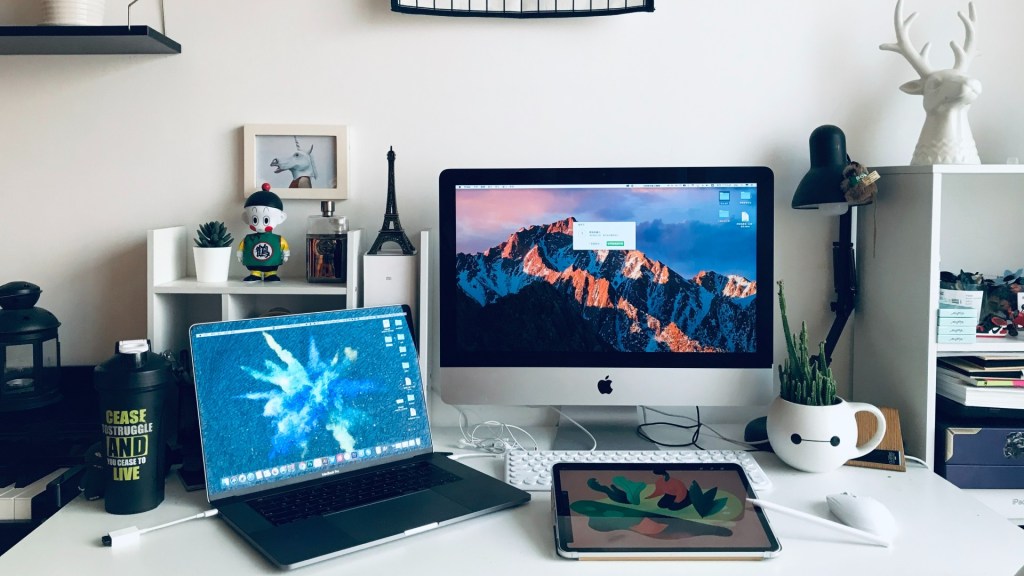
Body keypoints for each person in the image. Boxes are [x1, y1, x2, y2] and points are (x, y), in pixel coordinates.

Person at [238, 183, 289, 282]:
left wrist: (286, 254)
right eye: (255, 220)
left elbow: (284, 247)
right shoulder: (248, 239)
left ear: (281, 218)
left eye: (266, 220)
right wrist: (240, 254)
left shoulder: (278, 239)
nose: (260, 225)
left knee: (271, 271)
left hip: (272, 264)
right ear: (246, 218)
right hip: (253, 263)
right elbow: (241, 247)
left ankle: (270, 274)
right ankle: (255, 274)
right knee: (254, 270)